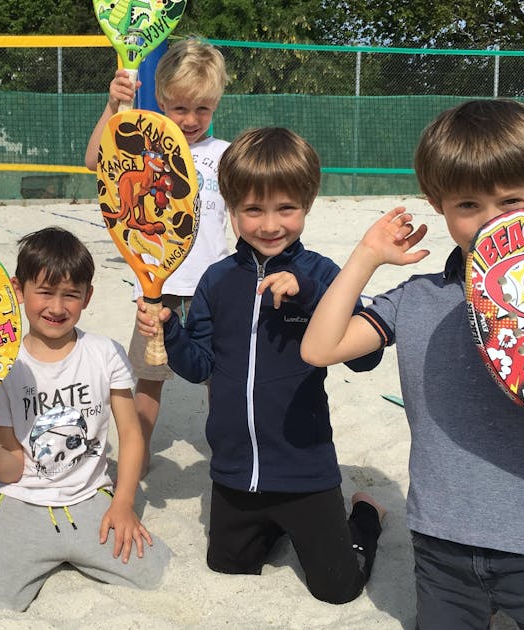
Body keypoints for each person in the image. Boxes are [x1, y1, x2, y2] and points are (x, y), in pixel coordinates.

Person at [300, 99, 524, 627]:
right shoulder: (416, 300)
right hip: (441, 543)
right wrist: (366, 255)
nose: (491, 220)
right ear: (437, 203)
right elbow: (319, 349)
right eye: (468, 205)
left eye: (510, 200)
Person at [136, 127, 385, 604]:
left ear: (307, 206)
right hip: (234, 471)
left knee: (339, 590)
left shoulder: (324, 275)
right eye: (252, 210)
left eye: (285, 209)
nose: (270, 224)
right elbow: (199, 367)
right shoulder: (216, 280)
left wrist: (312, 298)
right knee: (229, 566)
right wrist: (169, 332)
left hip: (304, 471)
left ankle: (365, 519)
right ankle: (275, 525)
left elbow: (367, 358)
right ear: (230, 209)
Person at [0, 226, 170, 611]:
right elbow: (9, 470)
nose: (57, 307)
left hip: (91, 498)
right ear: (18, 290)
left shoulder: (104, 353)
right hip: (23, 501)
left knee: (154, 572)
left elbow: (132, 436)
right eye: (45, 292)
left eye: (71, 294)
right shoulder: (3, 366)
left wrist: (122, 503)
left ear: (87, 296)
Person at [84, 38, 234, 466]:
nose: (190, 119)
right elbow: (95, 159)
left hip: (211, 288)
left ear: (216, 104)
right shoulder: (144, 140)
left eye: (202, 109)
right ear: (163, 99)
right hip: (156, 290)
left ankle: (230, 453)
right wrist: (113, 107)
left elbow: (241, 218)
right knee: (149, 381)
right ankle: (138, 454)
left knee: (219, 378)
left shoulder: (223, 156)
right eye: (180, 108)